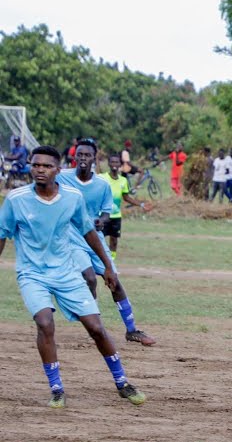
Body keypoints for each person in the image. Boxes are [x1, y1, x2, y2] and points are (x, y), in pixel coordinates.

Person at [0, 146, 146, 408]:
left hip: (66, 272)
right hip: (32, 274)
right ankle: (56, 388)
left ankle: (122, 382)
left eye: (46, 166)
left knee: (96, 328)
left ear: (58, 169)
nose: (40, 170)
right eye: (35, 165)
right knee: (45, 323)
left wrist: (108, 267)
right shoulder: (16, 199)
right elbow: (2, 234)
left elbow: (89, 232)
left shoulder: (71, 197)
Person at [58, 139, 157, 347]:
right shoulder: (63, 178)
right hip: (73, 240)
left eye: (87, 155)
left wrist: (100, 221)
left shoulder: (102, 185)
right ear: (75, 157)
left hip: (95, 239)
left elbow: (106, 213)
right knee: (89, 278)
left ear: (94, 158)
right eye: (80, 154)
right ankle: (95, 326)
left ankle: (132, 330)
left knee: (114, 282)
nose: (83, 158)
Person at [100, 153, 151, 259]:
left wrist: (141, 204)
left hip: (116, 216)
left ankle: (111, 261)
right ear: (109, 163)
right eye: (112, 161)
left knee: (114, 241)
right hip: (103, 215)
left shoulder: (123, 181)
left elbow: (126, 197)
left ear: (120, 165)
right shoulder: (102, 178)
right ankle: (99, 261)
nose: (114, 164)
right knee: (99, 240)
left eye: (117, 162)